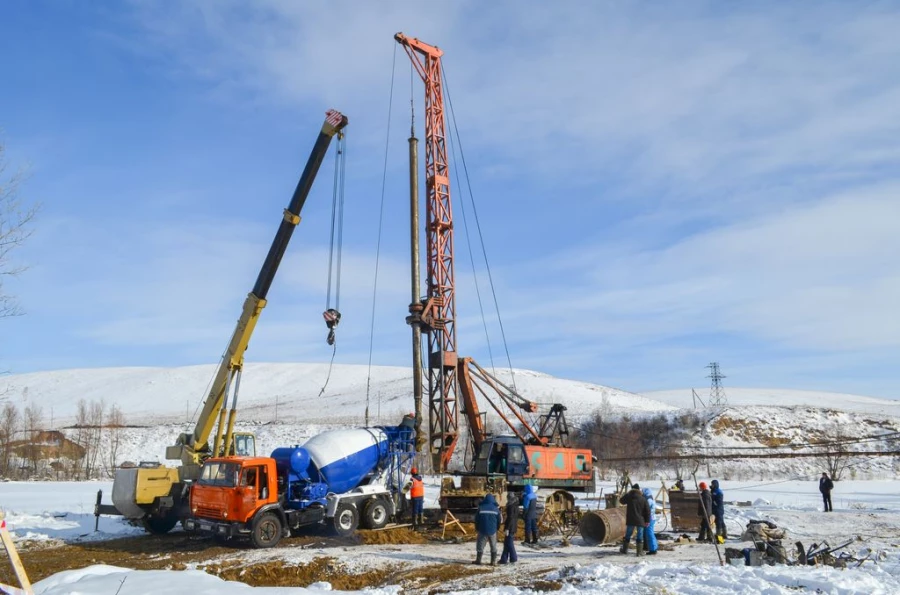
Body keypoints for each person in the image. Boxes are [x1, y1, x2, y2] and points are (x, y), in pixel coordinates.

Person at [618, 483, 650, 557]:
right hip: (640, 520)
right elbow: (647, 510)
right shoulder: (643, 498)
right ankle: (639, 552)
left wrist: (627, 494)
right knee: (640, 536)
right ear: (639, 490)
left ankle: (624, 550)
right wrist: (647, 521)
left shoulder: (629, 497)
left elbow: (621, 501)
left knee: (628, 535)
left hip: (631, 520)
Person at [474, 493, 500, 565]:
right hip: (493, 530)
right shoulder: (496, 509)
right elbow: (499, 520)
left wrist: (477, 528)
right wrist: (497, 528)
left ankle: (478, 560)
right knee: (493, 545)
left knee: (480, 545)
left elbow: (477, 519)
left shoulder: (481, 507)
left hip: (482, 530)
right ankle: (493, 561)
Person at [499, 491, 519, 564]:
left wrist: (507, 528)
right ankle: (504, 559)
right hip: (513, 526)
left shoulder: (511, 506)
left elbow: (510, 518)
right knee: (506, 543)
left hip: (510, 527)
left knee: (509, 543)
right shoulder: (515, 505)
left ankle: (513, 558)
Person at [641, 487, 659, 555]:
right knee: (650, 533)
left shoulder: (648, 500)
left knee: (649, 533)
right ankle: (654, 547)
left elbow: (646, 510)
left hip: (649, 518)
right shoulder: (650, 498)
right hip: (651, 518)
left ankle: (653, 549)